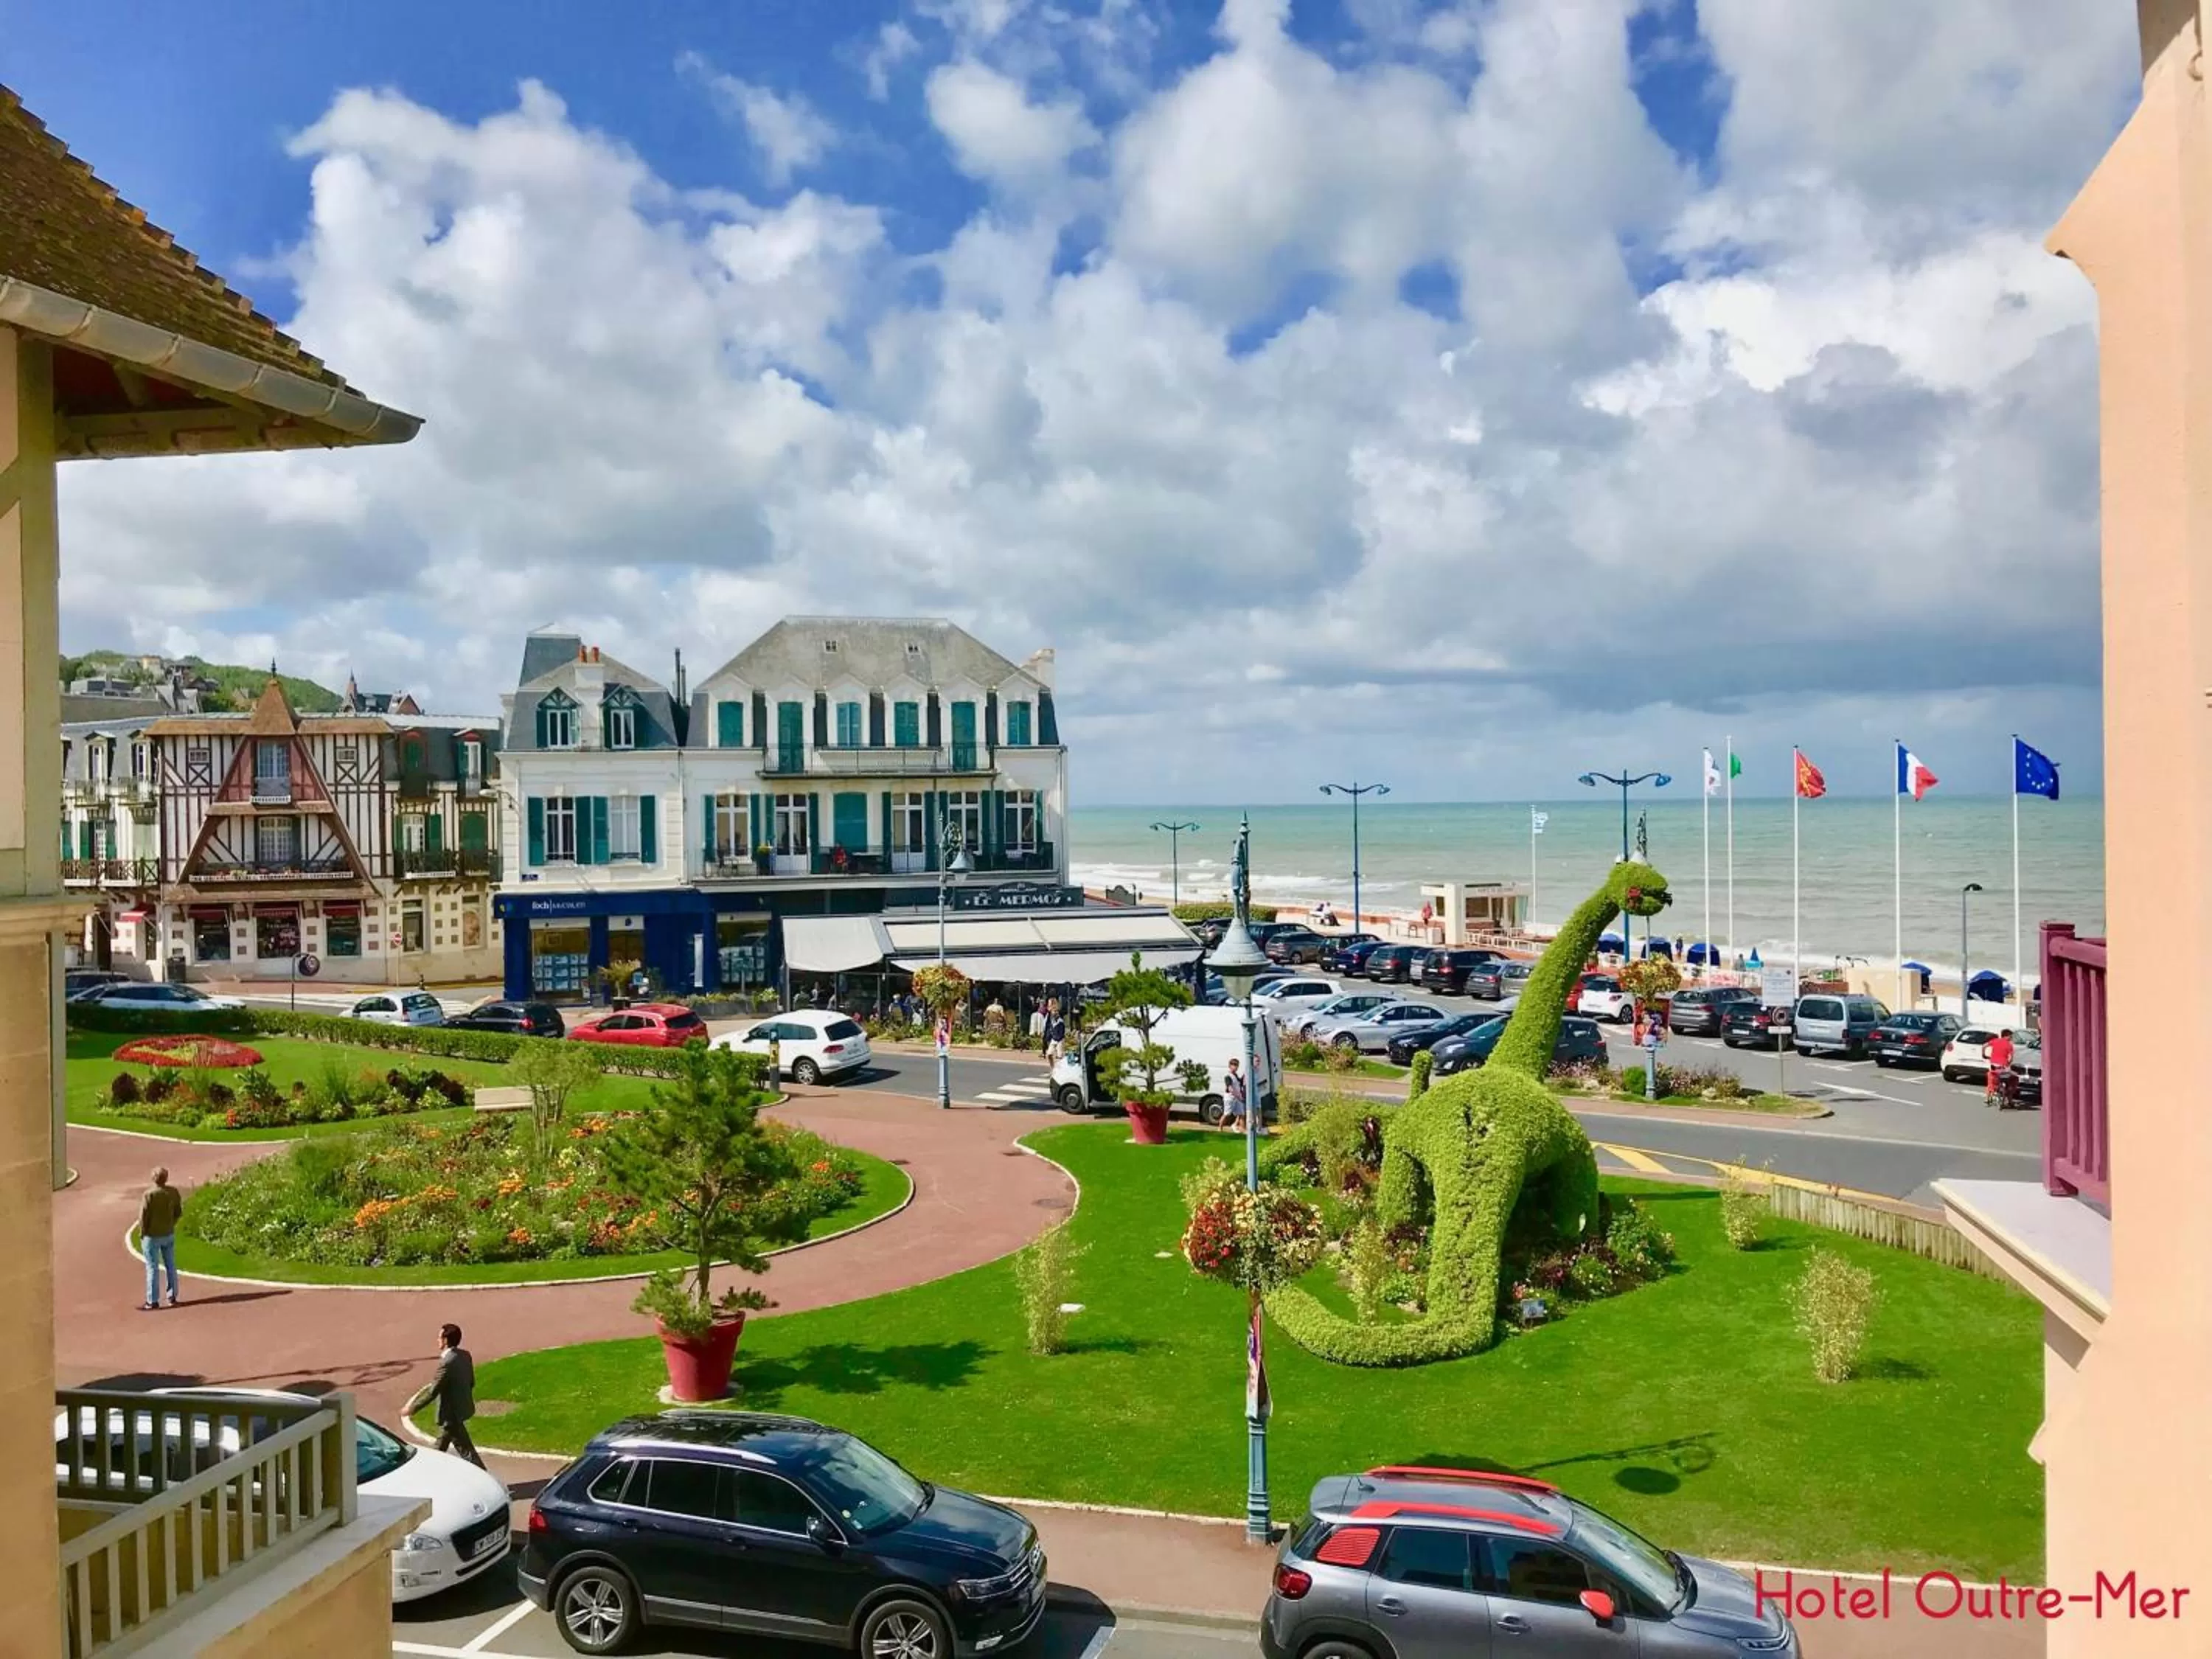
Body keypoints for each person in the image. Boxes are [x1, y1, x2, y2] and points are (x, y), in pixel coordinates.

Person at [404, 1324, 483, 1467]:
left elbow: (433, 1391)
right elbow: (471, 1382)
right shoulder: (465, 1355)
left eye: (440, 1337)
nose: (437, 1340)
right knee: (447, 1449)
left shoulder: (447, 1363)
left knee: (457, 1453)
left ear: (446, 1340)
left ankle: (484, 1476)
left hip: (450, 1416)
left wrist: (412, 1409)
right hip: (457, 1413)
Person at [139, 1166, 184, 1310]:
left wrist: (143, 1232)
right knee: (171, 1265)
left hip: (152, 1235)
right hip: (168, 1233)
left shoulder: (149, 1194)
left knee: (152, 1267)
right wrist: (172, 1224)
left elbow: (143, 1217)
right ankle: (172, 1296)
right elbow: (178, 1212)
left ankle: (152, 1301)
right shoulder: (173, 1192)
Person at [1986, 1028, 2017, 1105]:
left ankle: (1988, 1098)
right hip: (2003, 1066)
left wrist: (1984, 1055)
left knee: (1992, 1080)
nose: (2011, 1038)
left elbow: (1984, 1046)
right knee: (2010, 1081)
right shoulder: (2009, 1045)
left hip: (1993, 1066)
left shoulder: (1995, 1041)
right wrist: (2008, 1063)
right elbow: (2011, 1058)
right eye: (2011, 1036)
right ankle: (2010, 1101)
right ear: (2007, 1036)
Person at [1220, 1057, 1246, 1133]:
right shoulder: (1228, 1076)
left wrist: (1245, 1075)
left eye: (1237, 1065)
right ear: (1230, 1066)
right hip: (1230, 1098)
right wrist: (1238, 1096)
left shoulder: (1236, 1075)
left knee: (1241, 1114)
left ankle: (1243, 1130)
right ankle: (1220, 1128)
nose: (1235, 1067)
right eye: (1234, 1065)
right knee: (1227, 1114)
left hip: (1237, 1098)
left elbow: (1240, 1083)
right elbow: (1230, 1089)